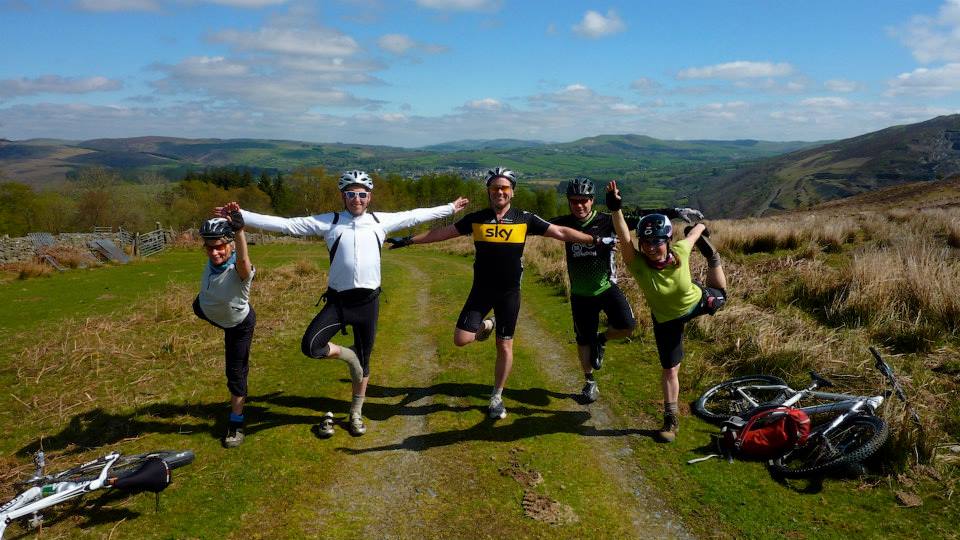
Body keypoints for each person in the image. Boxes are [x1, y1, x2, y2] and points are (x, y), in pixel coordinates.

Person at [223, 170, 469, 436]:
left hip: (368, 304)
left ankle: (355, 412)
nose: (357, 199)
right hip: (339, 303)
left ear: (369, 197)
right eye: (351, 194)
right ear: (343, 196)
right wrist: (242, 217)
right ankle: (348, 356)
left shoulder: (379, 221)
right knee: (311, 346)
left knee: (366, 362)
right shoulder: (331, 221)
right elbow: (287, 224)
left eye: (362, 194)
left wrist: (450, 208)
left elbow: (415, 214)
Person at [387, 167, 600, 420]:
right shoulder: (477, 218)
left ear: (512, 192)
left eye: (504, 188)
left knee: (505, 345)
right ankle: (490, 323)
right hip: (482, 290)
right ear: (489, 191)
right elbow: (441, 234)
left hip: (509, 293)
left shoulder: (525, 218)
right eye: (495, 188)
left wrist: (594, 240)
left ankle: (496, 397)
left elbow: (561, 232)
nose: (500, 191)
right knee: (461, 339)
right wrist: (410, 240)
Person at [549, 176, 703, 403]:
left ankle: (601, 340)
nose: (579, 205)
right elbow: (535, 224)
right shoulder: (564, 223)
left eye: (584, 200)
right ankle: (589, 382)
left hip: (606, 287)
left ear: (592, 201)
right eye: (574, 201)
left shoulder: (606, 220)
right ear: (569, 202)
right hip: (580, 294)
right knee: (583, 340)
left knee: (628, 326)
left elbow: (641, 218)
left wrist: (674, 211)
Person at [608, 180, 727, 442]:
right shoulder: (637, 265)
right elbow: (624, 237)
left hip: (697, 302)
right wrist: (616, 209)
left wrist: (700, 227)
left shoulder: (682, 249)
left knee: (721, 296)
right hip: (666, 320)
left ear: (668, 240)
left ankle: (713, 259)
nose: (650, 248)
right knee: (670, 370)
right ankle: (670, 420)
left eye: (657, 242)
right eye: (646, 242)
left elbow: (695, 235)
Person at [192, 206, 255, 448]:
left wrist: (239, 232)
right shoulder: (212, 261)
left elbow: (243, 261)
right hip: (208, 310)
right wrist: (224, 217)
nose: (215, 252)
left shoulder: (239, 271)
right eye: (210, 247)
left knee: (235, 373)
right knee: (198, 305)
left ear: (229, 244)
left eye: (220, 246)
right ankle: (203, 307)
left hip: (238, 325)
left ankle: (236, 423)